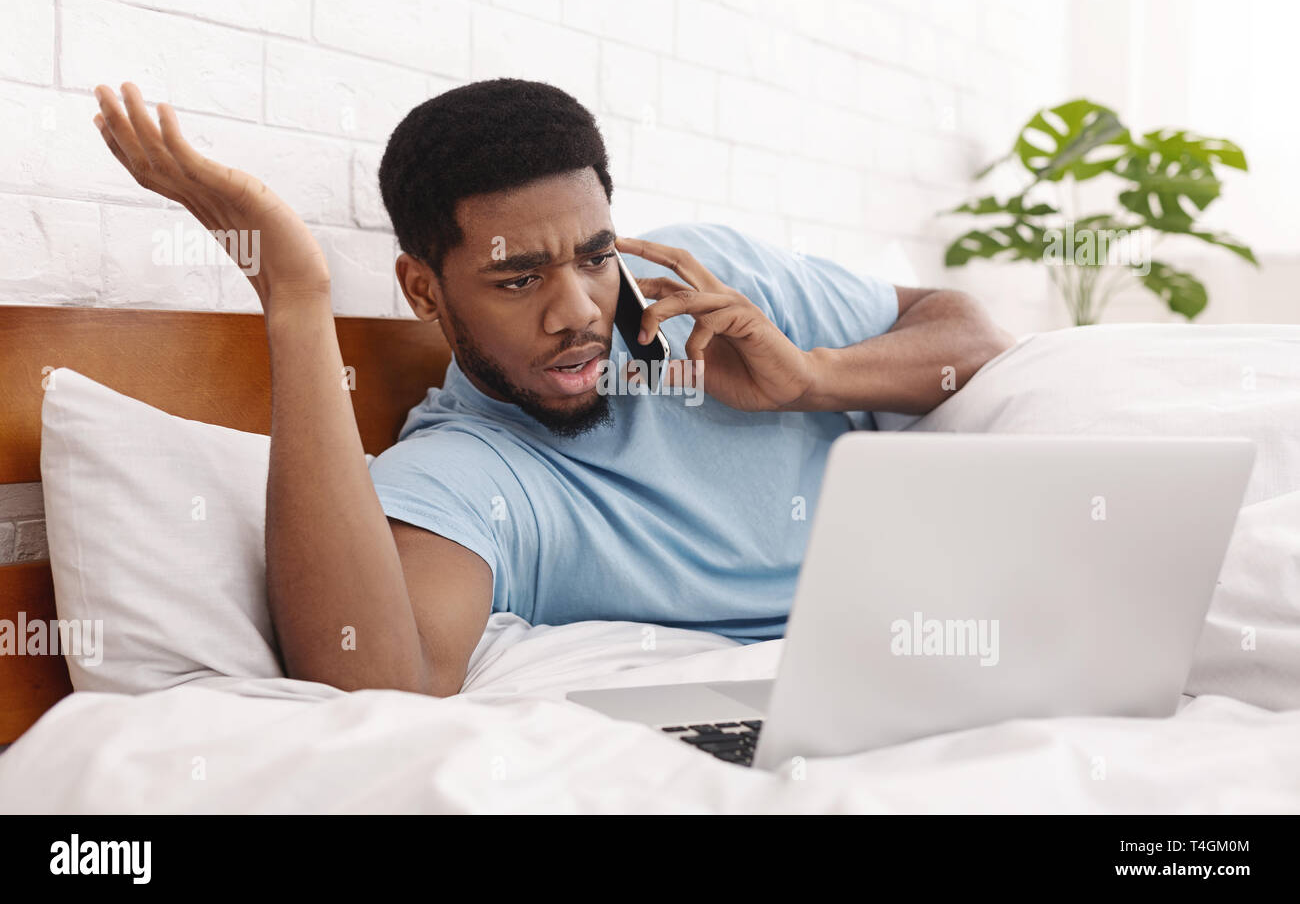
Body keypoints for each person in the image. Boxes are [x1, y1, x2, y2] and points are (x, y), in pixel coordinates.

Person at [91, 77, 1016, 696]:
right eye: (518, 276)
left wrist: (810, 378)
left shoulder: (712, 289)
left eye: (595, 254)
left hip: (963, 645)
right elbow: (376, 683)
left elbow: (969, 331)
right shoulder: (467, 467)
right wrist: (295, 302)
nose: (576, 309)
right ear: (425, 292)